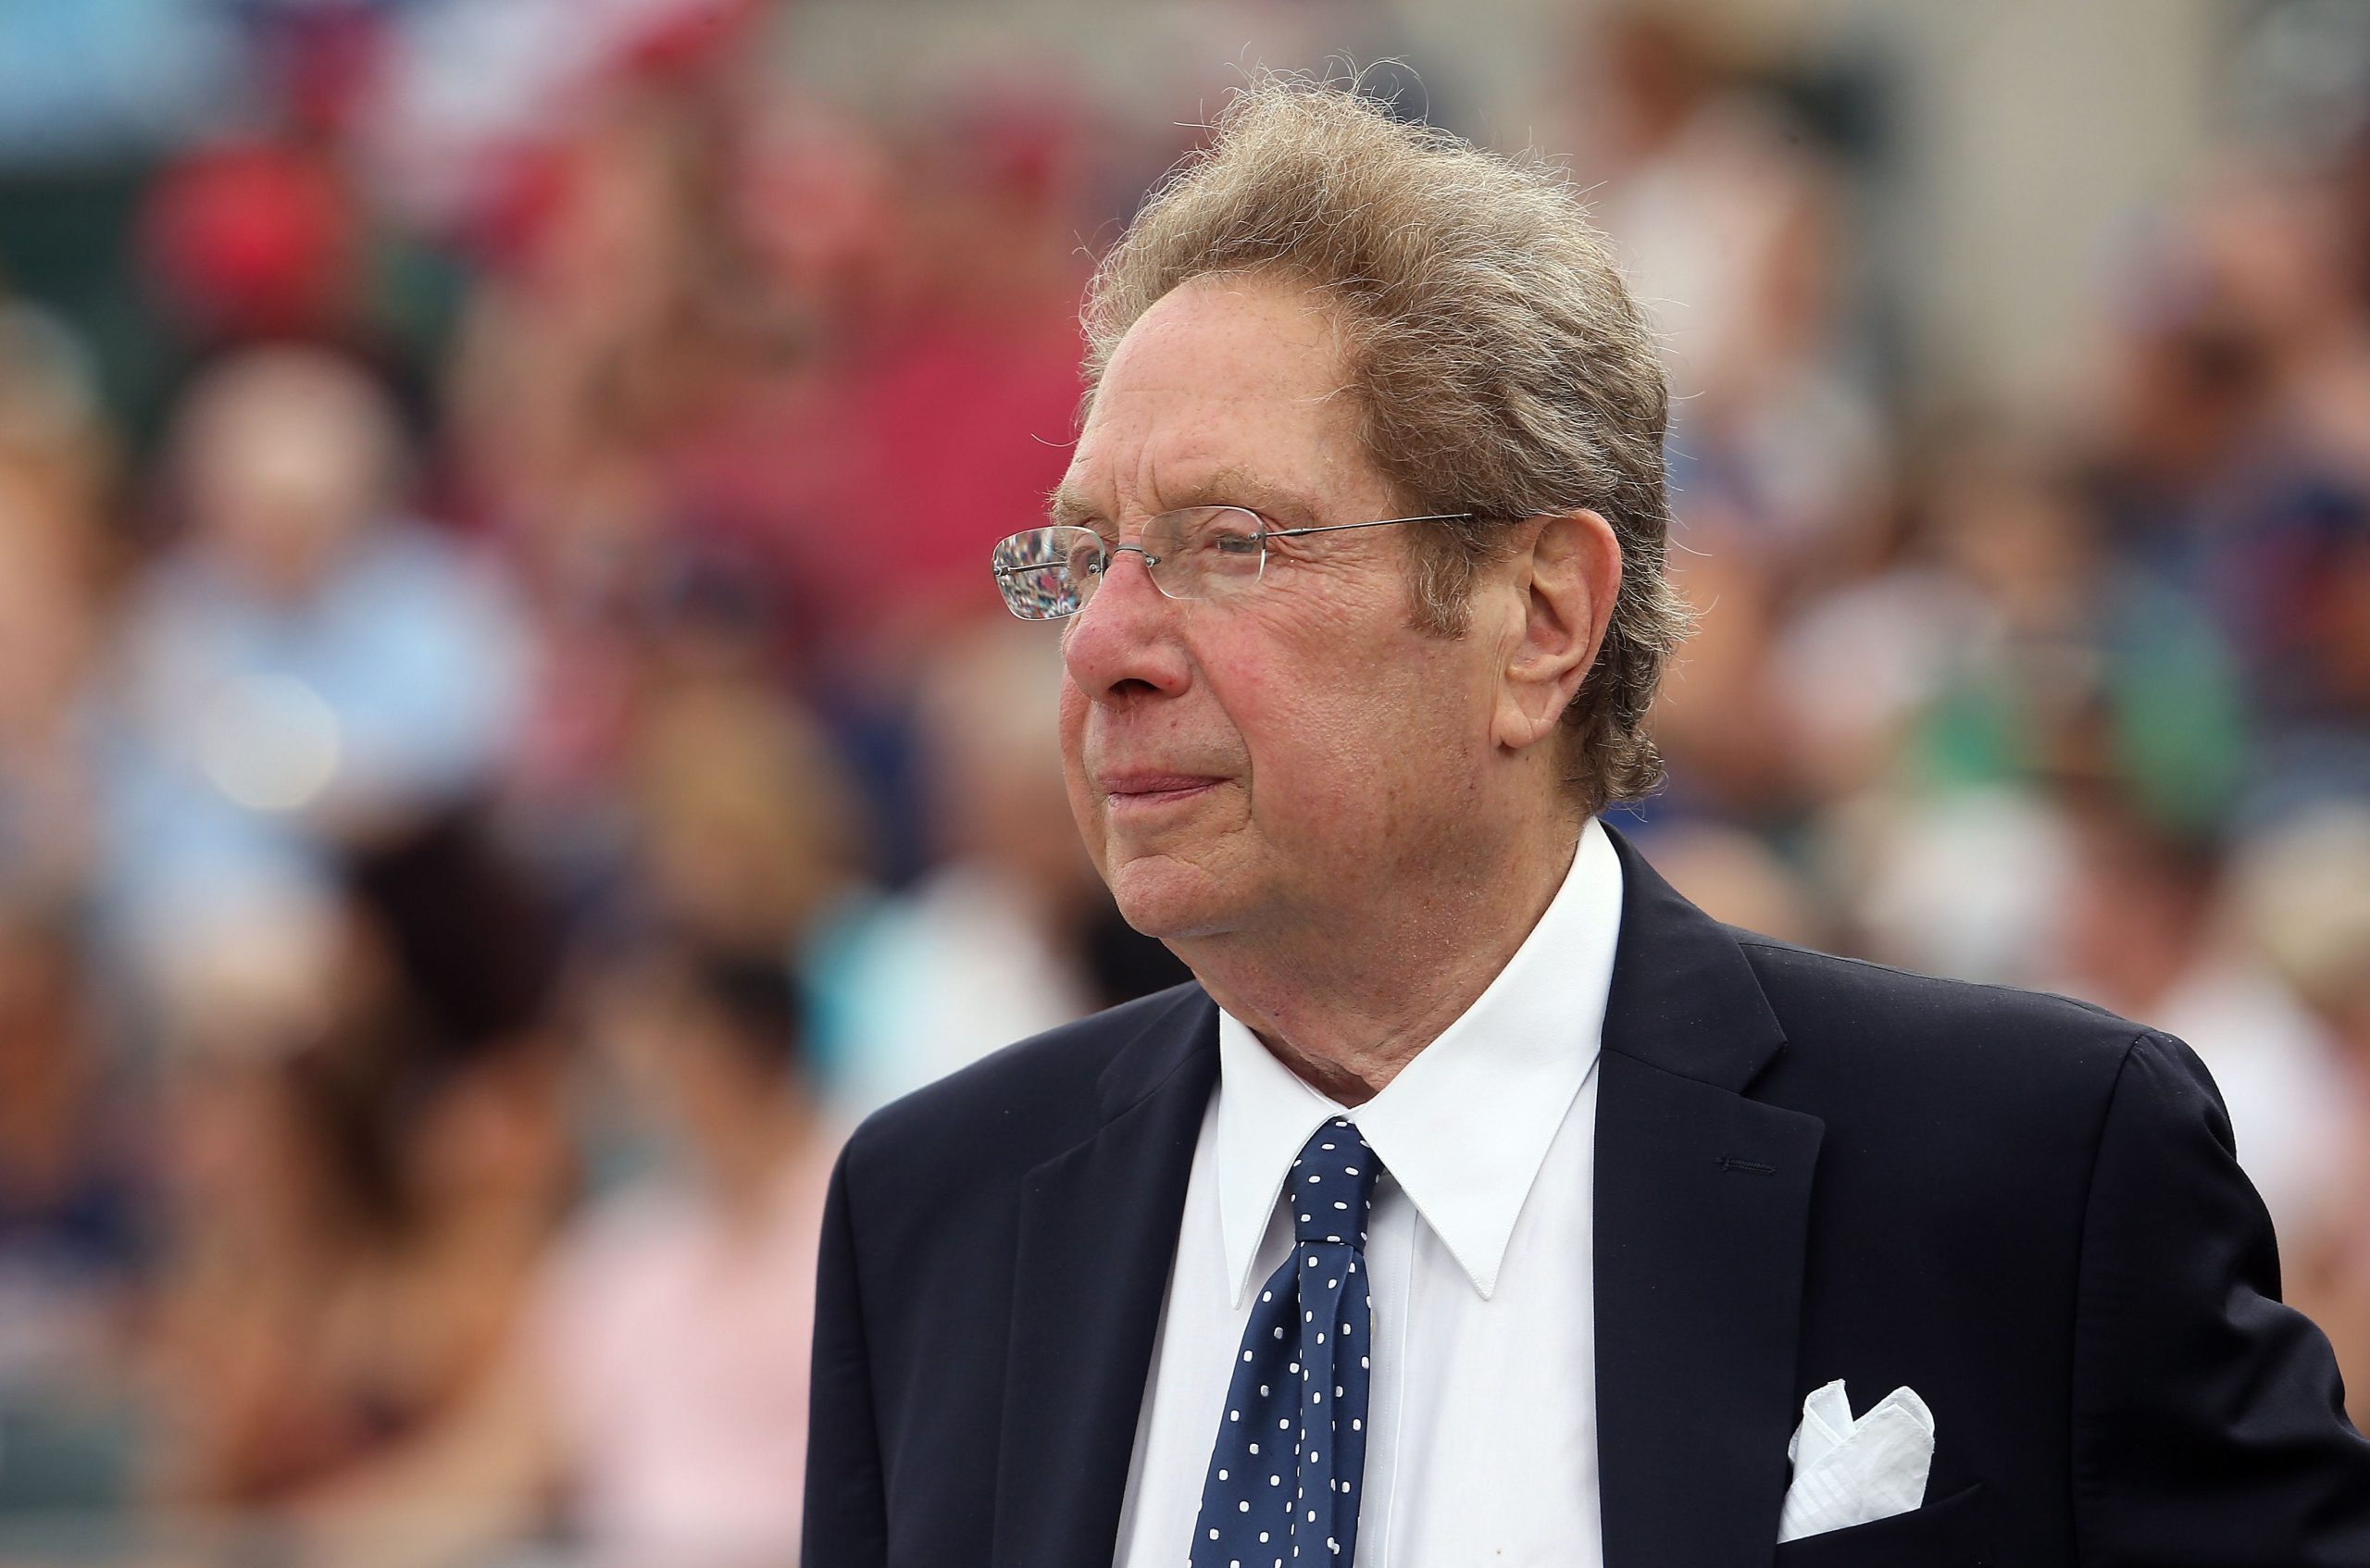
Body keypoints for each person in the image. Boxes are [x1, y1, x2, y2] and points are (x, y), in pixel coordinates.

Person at [803, 79, 2370, 1568]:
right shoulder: (933, 1213)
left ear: (1542, 616)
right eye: (1086, 556)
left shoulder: (2028, 1169)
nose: (1098, 648)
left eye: (1227, 542)